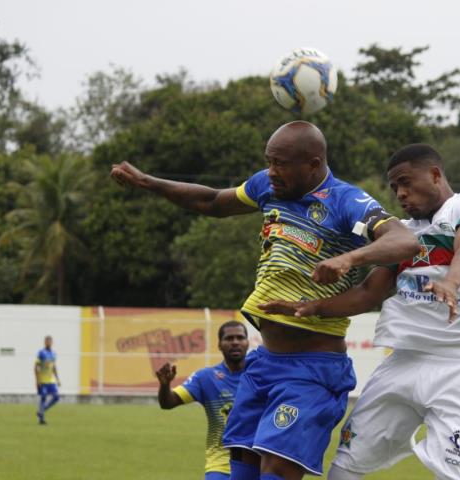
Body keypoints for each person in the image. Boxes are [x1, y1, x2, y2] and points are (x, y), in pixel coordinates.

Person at [111, 120, 420, 480]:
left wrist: (347, 259)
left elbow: (404, 241)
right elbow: (211, 201)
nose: (271, 171)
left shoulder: (345, 201)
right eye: (269, 161)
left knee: (274, 472)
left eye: (280, 163)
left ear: (313, 164)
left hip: (311, 372)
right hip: (263, 367)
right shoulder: (268, 186)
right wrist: (146, 182)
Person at [261, 143, 460, 480]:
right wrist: (310, 307)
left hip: (458, 365)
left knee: (454, 475)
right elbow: (366, 294)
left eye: (406, 182)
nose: (400, 194)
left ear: (434, 175)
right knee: (344, 468)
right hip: (401, 363)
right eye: (394, 188)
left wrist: (451, 281)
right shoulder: (405, 233)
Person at [157, 320, 249, 480]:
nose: (235, 342)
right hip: (220, 464)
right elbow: (168, 403)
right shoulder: (205, 377)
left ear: (247, 343)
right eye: (229, 338)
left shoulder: (261, 375)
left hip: (255, 463)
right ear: (219, 345)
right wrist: (165, 385)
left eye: (240, 338)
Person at [35, 335, 61, 425]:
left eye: (50, 341)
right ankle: (41, 419)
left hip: (51, 381)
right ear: (44, 342)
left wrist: (57, 379)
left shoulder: (53, 354)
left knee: (56, 397)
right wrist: (37, 380)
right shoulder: (41, 353)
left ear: (52, 342)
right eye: (47, 341)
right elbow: (36, 367)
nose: (49, 343)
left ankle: (42, 410)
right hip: (42, 380)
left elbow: (53, 367)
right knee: (43, 397)